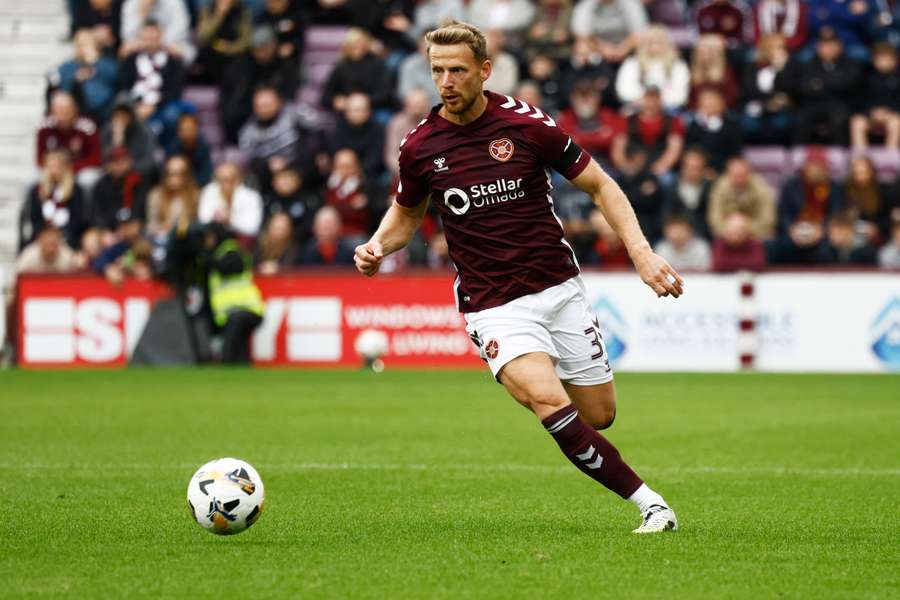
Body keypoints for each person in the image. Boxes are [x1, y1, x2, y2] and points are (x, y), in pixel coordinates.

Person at [354, 20, 682, 533]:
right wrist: (377, 245)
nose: (446, 81)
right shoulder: (420, 147)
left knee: (597, 415)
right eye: (437, 70)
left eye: (458, 70)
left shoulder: (527, 125)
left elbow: (601, 185)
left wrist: (641, 254)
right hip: (493, 304)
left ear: (484, 71)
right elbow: (407, 216)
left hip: (558, 287)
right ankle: (651, 504)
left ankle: (578, 427)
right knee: (547, 401)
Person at [219, 25, 300, 144]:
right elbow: (231, 97)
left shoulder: (285, 66)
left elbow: (290, 93)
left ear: (274, 44)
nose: (261, 53)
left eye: (265, 48)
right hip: (246, 112)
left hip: (277, 113)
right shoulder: (240, 66)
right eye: (257, 49)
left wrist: (273, 103)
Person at [21, 149, 88, 251]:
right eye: (50, 167)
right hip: (41, 238)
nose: (53, 171)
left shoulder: (76, 190)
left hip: (68, 238)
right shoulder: (37, 190)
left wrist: (60, 235)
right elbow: (35, 219)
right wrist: (45, 236)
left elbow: (77, 220)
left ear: (65, 168)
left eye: (57, 167)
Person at [614, 26, 690, 110]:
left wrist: (657, 101)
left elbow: (680, 95)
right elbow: (624, 90)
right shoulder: (632, 63)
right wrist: (646, 101)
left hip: (668, 110)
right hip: (637, 108)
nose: (654, 45)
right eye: (651, 42)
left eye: (658, 41)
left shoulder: (677, 65)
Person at [54, 29, 119, 122]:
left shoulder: (107, 64)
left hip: (103, 113)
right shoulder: (67, 67)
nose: (82, 48)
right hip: (74, 115)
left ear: (95, 45)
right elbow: (63, 89)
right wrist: (76, 78)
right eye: (79, 44)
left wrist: (94, 60)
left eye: (86, 43)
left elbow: (114, 79)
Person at [707, 157, 776, 241]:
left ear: (749, 174)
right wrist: (731, 230)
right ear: (728, 174)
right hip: (727, 233)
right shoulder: (720, 187)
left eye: (742, 175)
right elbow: (714, 218)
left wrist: (744, 228)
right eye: (735, 175)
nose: (739, 179)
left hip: (755, 234)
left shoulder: (761, 188)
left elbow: (768, 219)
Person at [36, 91, 103, 177]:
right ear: (51, 112)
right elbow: (39, 159)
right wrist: (53, 168)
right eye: (59, 112)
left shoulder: (87, 128)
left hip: (79, 170)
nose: (63, 117)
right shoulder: (44, 128)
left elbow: (96, 159)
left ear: (74, 110)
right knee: (32, 179)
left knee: (88, 178)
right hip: (53, 169)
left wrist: (70, 168)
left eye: (66, 112)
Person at [849, 43, 900, 151]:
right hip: (869, 114)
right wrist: (870, 112)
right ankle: (861, 159)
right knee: (857, 122)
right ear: (874, 60)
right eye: (881, 59)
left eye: (888, 59)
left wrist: (889, 112)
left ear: (896, 60)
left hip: (891, 115)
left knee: (896, 122)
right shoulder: (865, 77)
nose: (884, 62)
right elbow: (857, 99)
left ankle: (889, 159)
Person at [198, 163, 264, 241]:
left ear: (239, 179)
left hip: (242, 243)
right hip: (215, 239)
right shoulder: (209, 191)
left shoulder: (252, 197)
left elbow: (253, 228)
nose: (226, 183)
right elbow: (203, 220)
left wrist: (230, 219)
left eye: (230, 179)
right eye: (220, 179)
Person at [684, 88, 743, 173]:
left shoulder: (732, 127)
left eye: (713, 102)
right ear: (700, 105)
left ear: (722, 104)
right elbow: (689, 151)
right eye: (707, 102)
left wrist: (718, 170)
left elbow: (735, 154)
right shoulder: (693, 126)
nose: (710, 105)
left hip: (724, 171)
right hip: (698, 171)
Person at [570, 0, 647, 65]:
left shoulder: (631, 3)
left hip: (629, 50)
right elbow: (582, 35)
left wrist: (623, 49)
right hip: (597, 51)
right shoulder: (585, 5)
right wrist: (604, 49)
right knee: (582, 47)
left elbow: (640, 32)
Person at [193, 0, 252, 83]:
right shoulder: (208, 9)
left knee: (242, 61)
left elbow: (245, 41)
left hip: (234, 53)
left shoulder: (242, 11)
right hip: (212, 50)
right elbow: (203, 35)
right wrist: (219, 15)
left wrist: (229, 48)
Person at [663, 147, 713, 239]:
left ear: (703, 169)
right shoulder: (671, 188)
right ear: (682, 167)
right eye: (689, 167)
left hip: (703, 237)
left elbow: (712, 217)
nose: (692, 172)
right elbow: (666, 215)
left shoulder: (710, 188)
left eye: (697, 168)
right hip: (676, 236)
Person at [166, 113, 213, 186]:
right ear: (178, 132)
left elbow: (206, 174)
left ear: (197, 130)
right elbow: (167, 174)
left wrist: (191, 185)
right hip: (175, 186)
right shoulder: (172, 148)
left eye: (190, 129)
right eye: (184, 129)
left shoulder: (203, 147)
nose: (188, 133)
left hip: (197, 186)